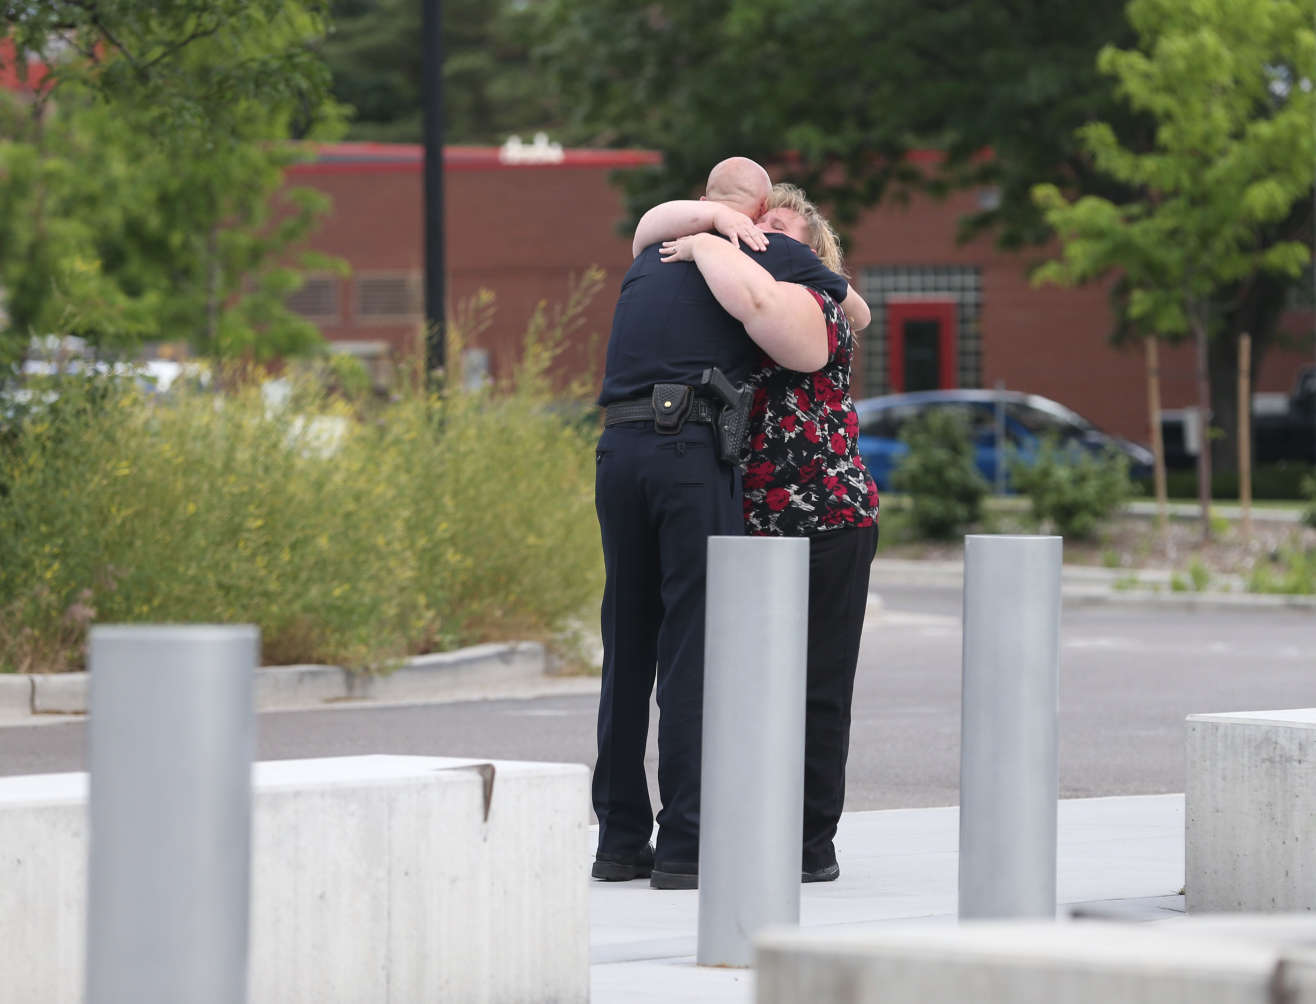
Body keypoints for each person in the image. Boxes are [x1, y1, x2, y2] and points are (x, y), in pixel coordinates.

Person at [593, 158, 862, 890]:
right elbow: (856, 306)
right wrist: (727, 235)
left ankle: (618, 839)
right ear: (760, 205)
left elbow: (849, 314)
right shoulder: (761, 245)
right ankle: (685, 845)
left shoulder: (657, 249)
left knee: (628, 639)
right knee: (690, 647)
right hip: (692, 453)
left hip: (618, 445)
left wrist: (711, 235)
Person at [654, 183, 881, 883]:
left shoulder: (816, 307)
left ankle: (813, 844)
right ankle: (746, 828)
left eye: (780, 230)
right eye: (756, 228)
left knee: (817, 689)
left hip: (830, 518)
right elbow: (651, 231)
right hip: (752, 525)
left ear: (812, 254)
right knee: (747, 688)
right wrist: (705, 228)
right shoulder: (731, 306)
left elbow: (774, 304)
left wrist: (700, 244)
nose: (762, 237)